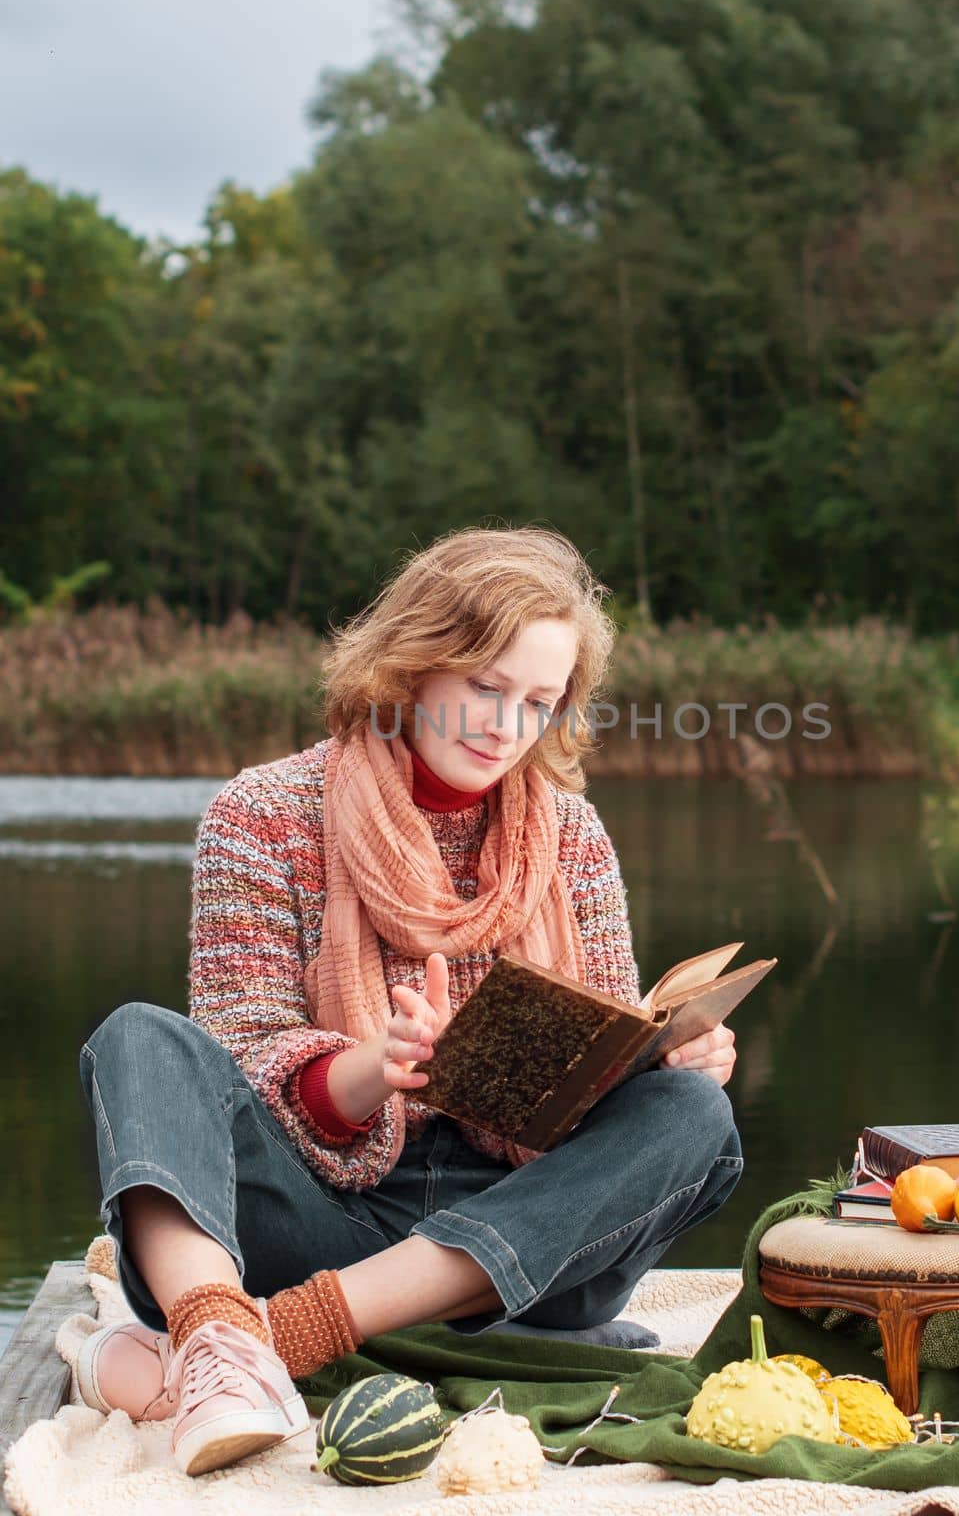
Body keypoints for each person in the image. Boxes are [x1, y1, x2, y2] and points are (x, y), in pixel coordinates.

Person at [75, 526, 742, 1477]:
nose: (506, 724)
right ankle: (225, 1329)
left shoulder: (576, 836)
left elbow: (603, 1053)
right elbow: (239, 1051)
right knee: (138, 1039)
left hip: (523, 1239)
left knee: (693, 1112)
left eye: (539, 702)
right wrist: (370, 1068)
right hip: (317, 1218)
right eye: (486, 685)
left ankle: (265, 1343)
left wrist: (668, 1053)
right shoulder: (263, 813)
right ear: (415, 664)